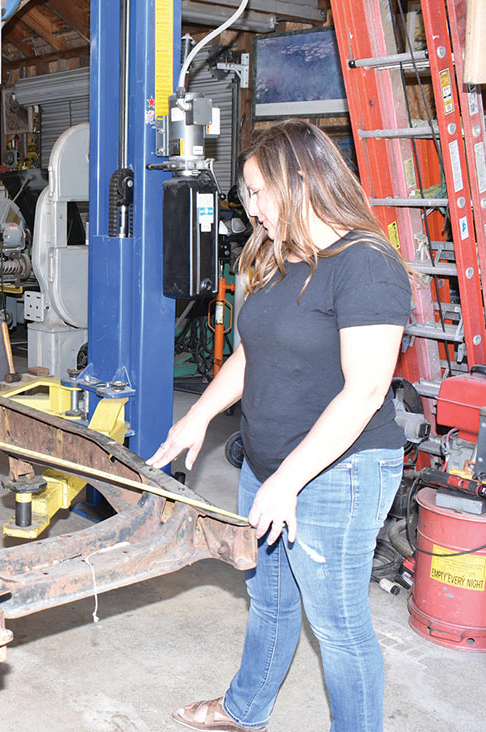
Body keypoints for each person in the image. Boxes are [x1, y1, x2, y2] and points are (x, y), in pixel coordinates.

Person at [150, 120, 410, 732]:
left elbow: (367, 390)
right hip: (268, 465)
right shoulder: (279, 257)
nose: (251, 210)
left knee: (338, 624)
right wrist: (199, 415)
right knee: (268, 598)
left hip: (337, 473)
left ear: (299, 181)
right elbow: (249, 354)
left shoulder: (365, 265)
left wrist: (289, 480)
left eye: (257, 193)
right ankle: (246, 709)